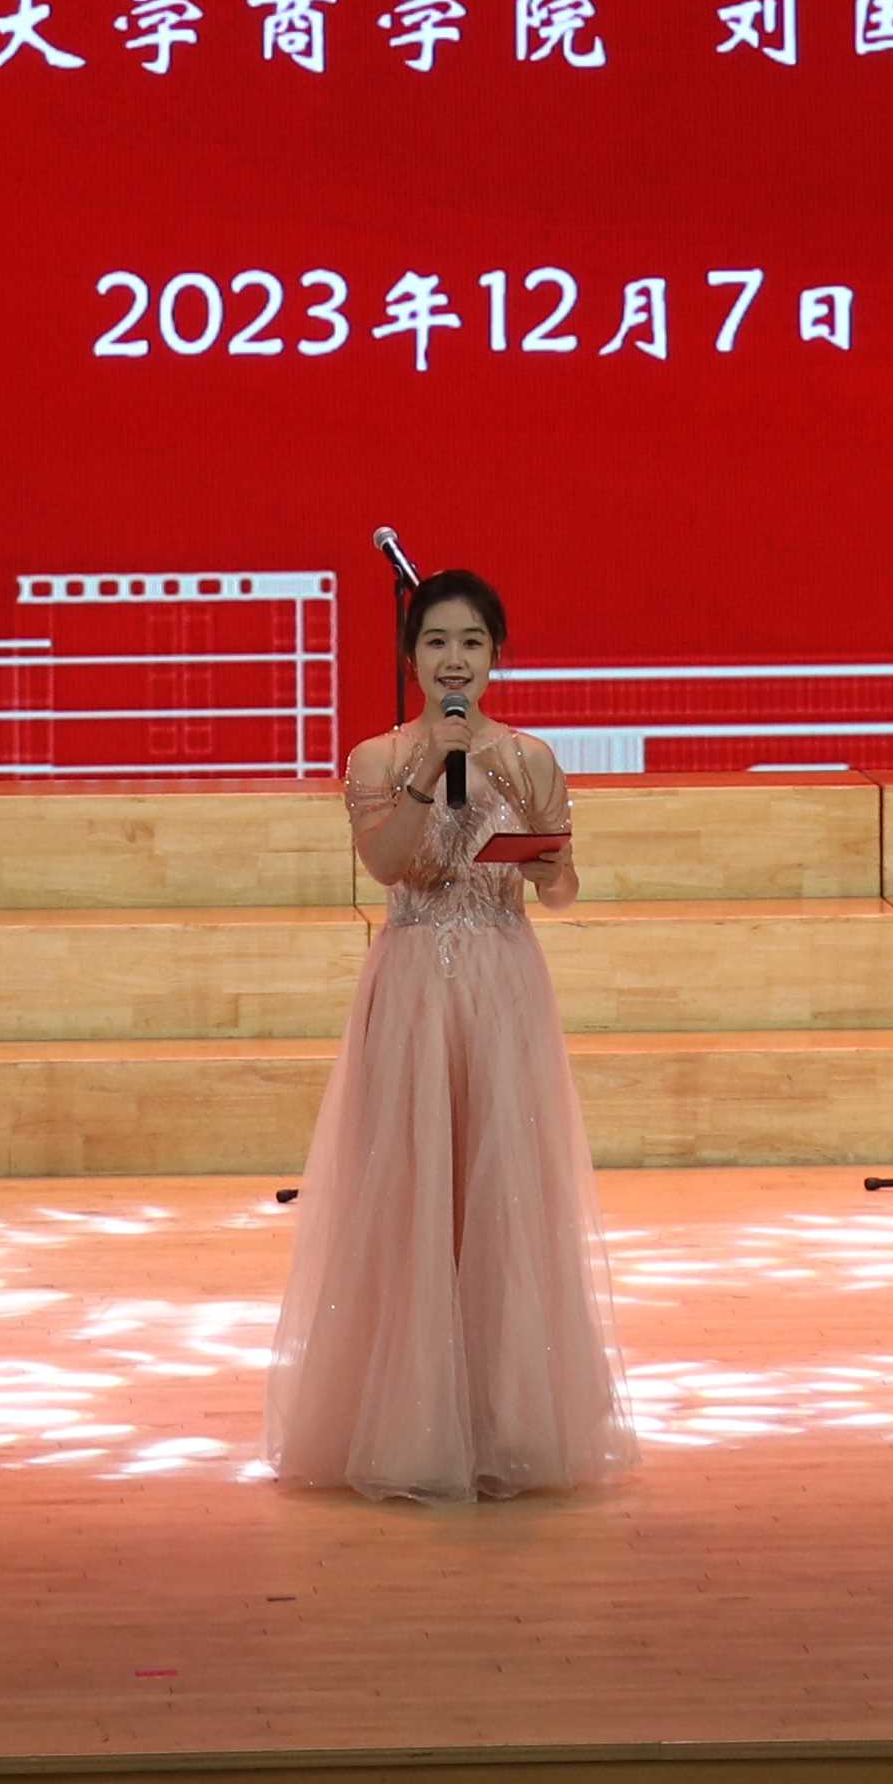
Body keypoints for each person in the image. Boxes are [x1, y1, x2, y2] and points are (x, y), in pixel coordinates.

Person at [263, 569, 638, 1502]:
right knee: (412, 1188)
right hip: (412, 985)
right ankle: (405, 1421)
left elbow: (561, 887)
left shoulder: (531, 758)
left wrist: (550, 866)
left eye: (472, 642)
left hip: (503, 986)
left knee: (504, 1188)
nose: (455, 660)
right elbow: (391, 864)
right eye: (436, 642)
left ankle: (506, 1420)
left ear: (496, 656)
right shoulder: (376, 758)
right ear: (411, 657)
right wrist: (431, 768)